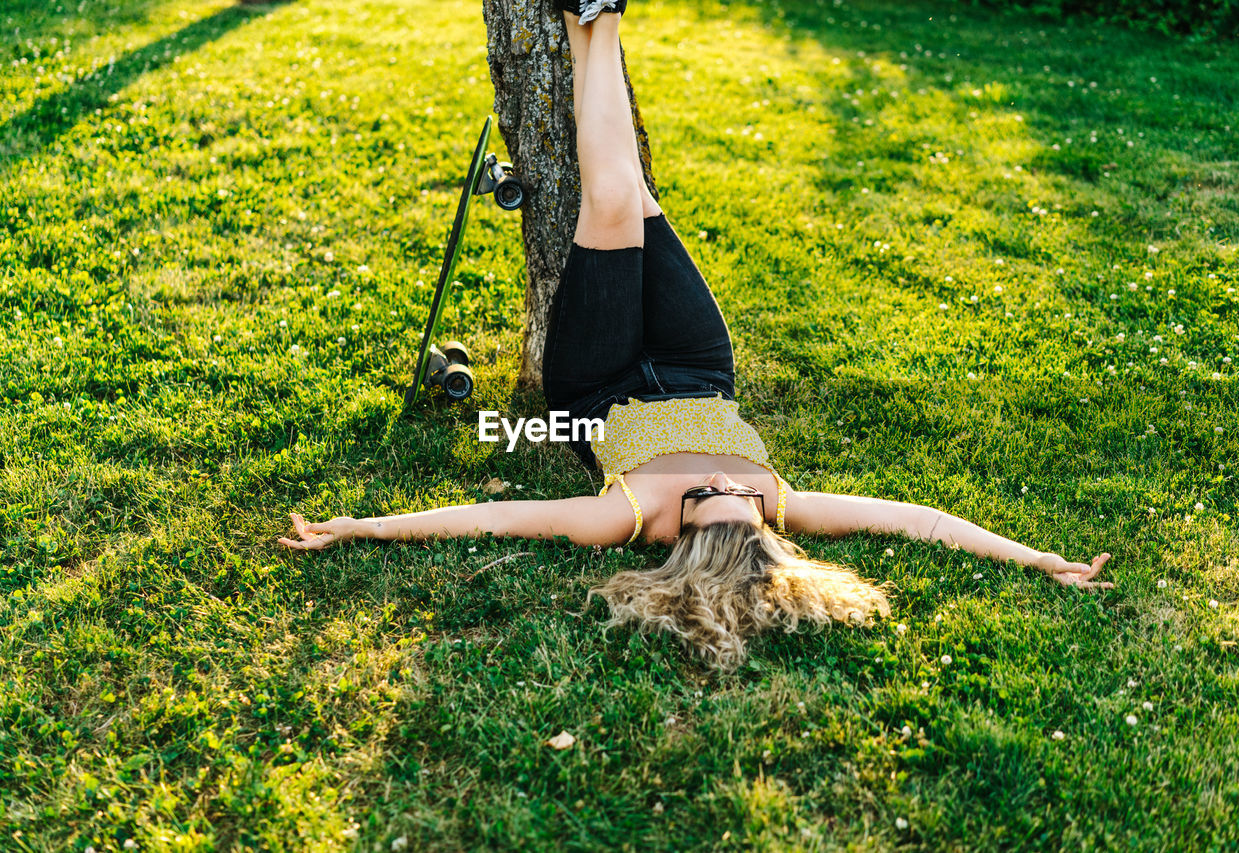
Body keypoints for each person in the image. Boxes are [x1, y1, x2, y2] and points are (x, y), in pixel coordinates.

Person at [280, 1, 1112, 669]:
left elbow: (496, 520)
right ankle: (589, 22)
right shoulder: (778, 505)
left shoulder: (629, 513)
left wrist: (365, 528)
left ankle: (593, 22)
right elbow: (918, 520)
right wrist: (1034, 557)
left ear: (690, 537)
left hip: (600, 379)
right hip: (694, 363)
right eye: (748, 499)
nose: (735, 482)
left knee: (606, 208)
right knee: (633, 197)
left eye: (722, 497)